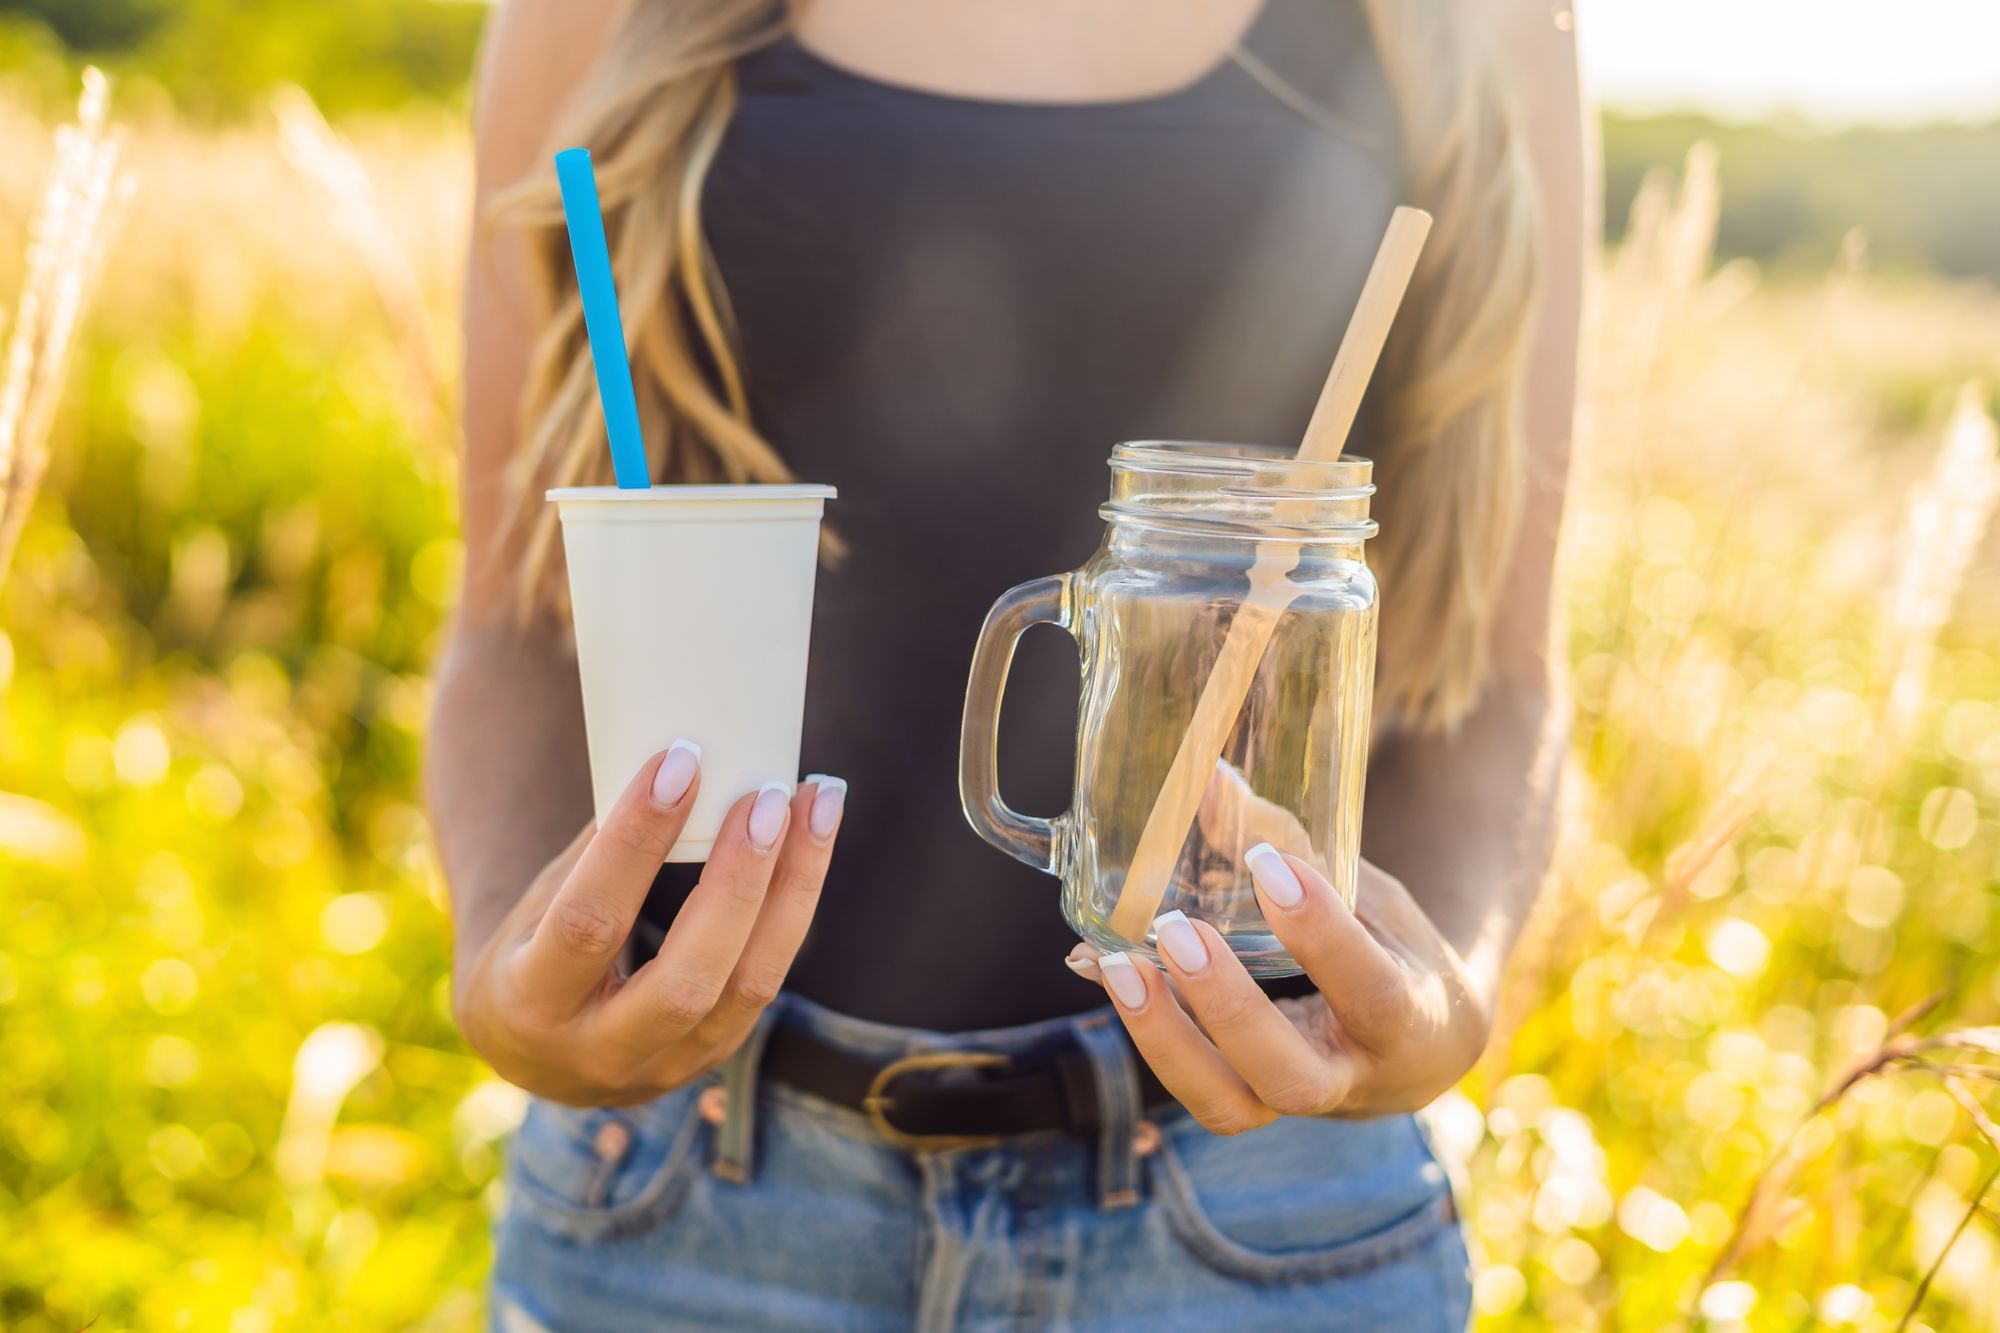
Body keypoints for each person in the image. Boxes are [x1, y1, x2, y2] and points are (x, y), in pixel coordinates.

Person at [427, 0, 1587, 1327]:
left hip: (1267, 1203)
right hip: (685, 1195)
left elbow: (1499, 685)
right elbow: (518, 619)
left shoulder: (1480, 21)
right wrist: (504, 973)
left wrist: (1439, 1004)